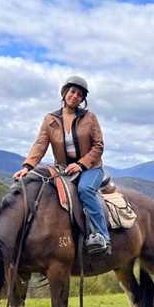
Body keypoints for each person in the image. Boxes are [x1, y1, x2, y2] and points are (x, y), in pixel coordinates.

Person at [13, 75, 110, 255]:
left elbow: (99, 145)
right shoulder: (50, 119)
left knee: (85, 190)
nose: (75, 96)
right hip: (63, 169)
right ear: (65, 92)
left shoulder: (90, 117)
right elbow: (40, 144)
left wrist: (81, 165)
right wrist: (27, 167)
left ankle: (103, 236)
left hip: (91, 168)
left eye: (80, 95)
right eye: (73, 92)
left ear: (83, 99)